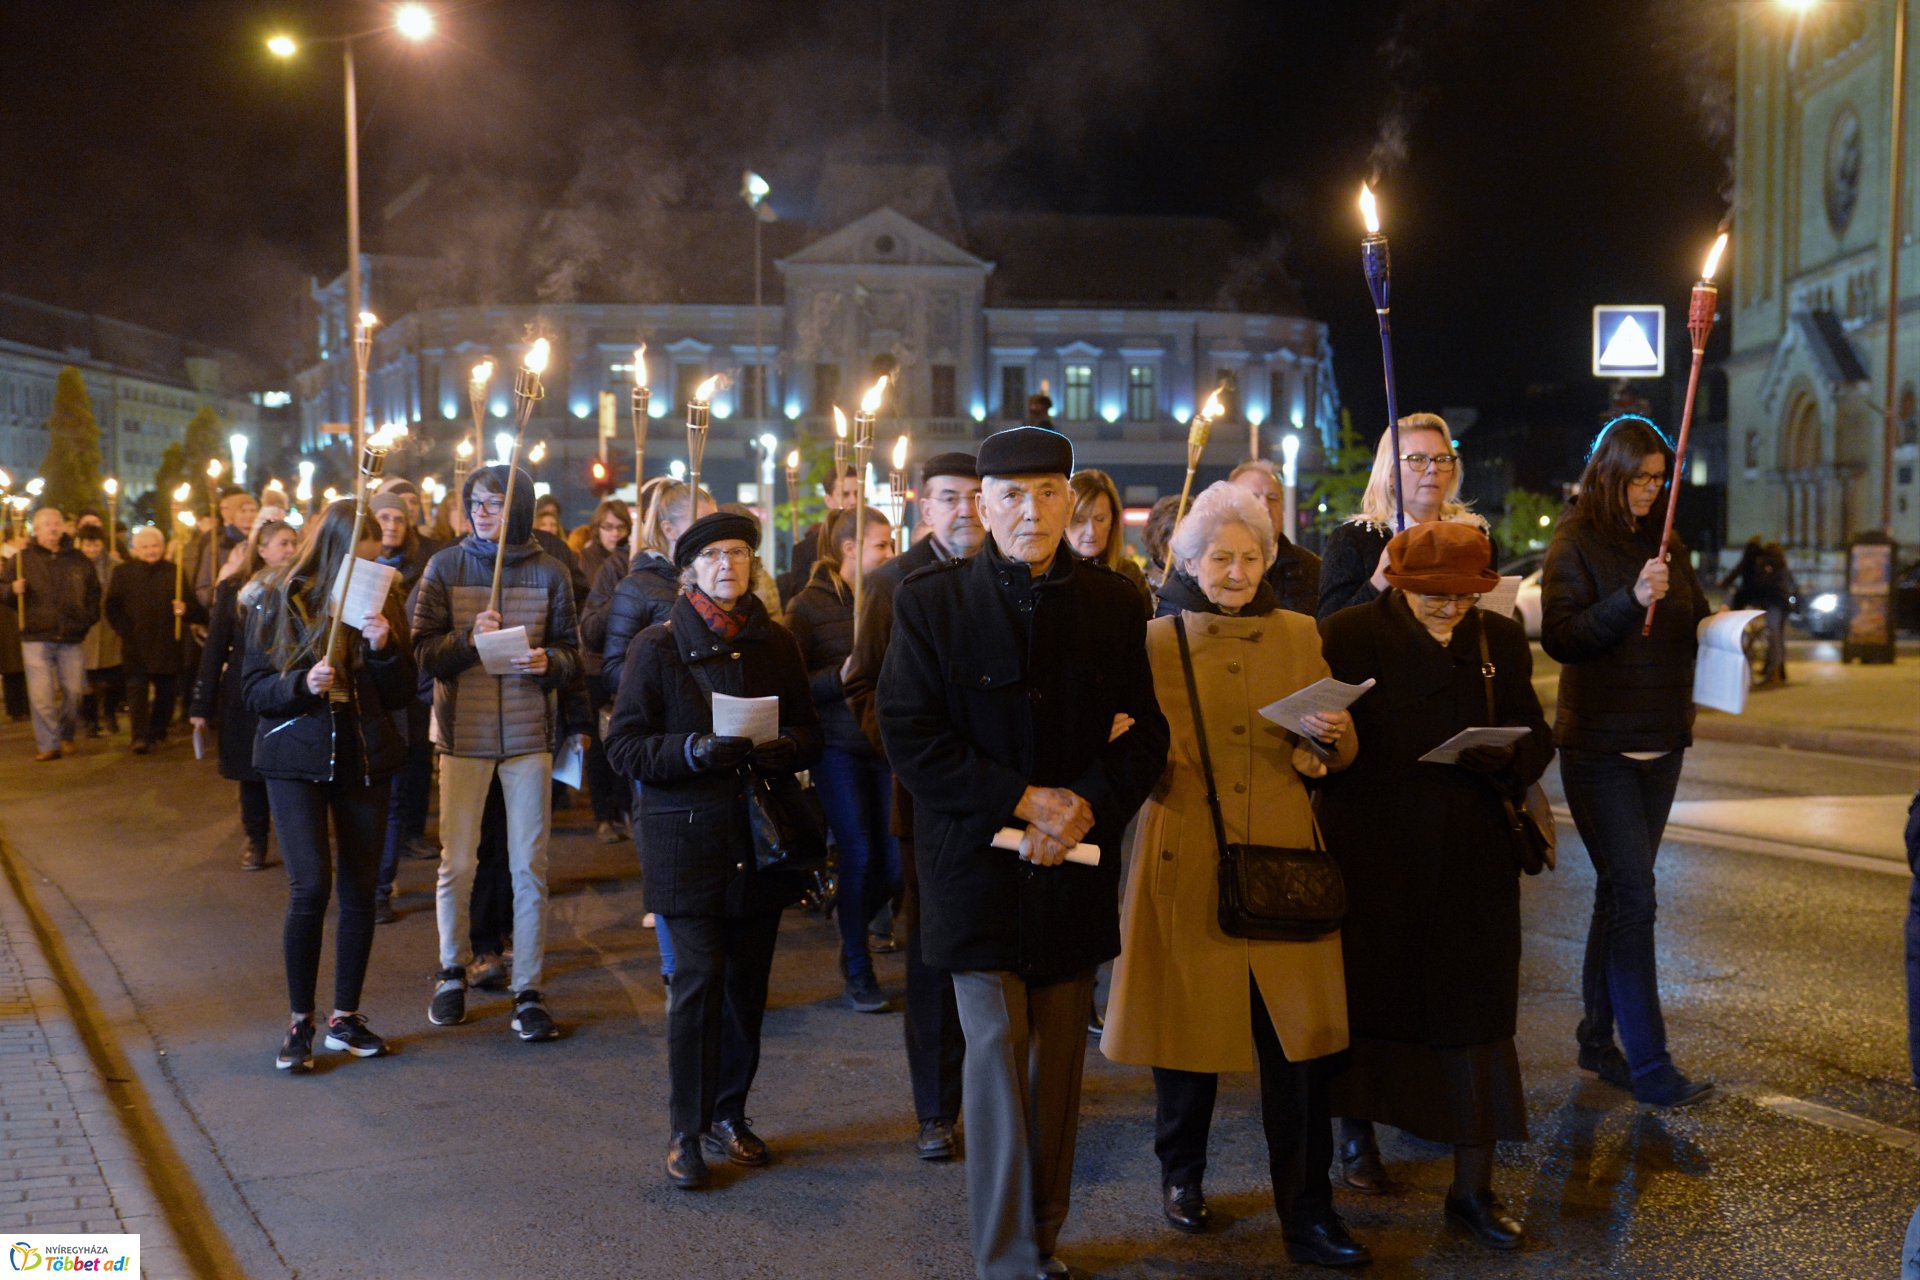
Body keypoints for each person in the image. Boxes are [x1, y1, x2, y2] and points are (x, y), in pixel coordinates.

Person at [878, 426, 1170, 1280]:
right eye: (1011, 495)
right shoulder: (929, 603)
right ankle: (1007, 1259)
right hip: (973, 866)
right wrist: (1021, 798)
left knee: (1058, 1068)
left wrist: (1083, 805)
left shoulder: (1117, 604)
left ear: (1071, 501)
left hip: (1074, 864)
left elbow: (1145, 735)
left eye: (1049, 493)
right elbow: (910, 734)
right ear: (982, 503)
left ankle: (1044, 1235)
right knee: (996, 1054)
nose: (1031, 511)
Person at [1101, 481, 1365, 1267]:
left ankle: (1308, 1211)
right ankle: (1181, 1175)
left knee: (1301, 1051)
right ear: (1187, 558)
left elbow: (1331, 756)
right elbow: (1126, 749)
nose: (1239, 570)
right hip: (1185, 849)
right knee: (1185, 1038)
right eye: (1222, 556)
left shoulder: (1299, 633)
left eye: (1253, 556)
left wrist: (1330, 739)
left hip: (1284, 854)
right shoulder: (1151, 641)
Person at [1317, 521, 1555, 1251]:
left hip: (1472, 859)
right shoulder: (1348, 634)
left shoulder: (1498, 641)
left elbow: (1536, 734)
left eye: (1462, 598)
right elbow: (1319, 731)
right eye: (1433, 598)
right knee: (1365, 1009)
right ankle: (1356, 1144)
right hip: (1374, 856)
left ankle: (1472, 1189)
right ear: (1402, 584)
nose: (1449, 611)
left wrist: (1506, 760)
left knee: (1474, 1021)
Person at [604, 511, 823, 1189]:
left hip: (758, 844)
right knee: (697, 986)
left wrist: (788, 748)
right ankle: (685, 1129)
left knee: (745, 992)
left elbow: (811, 733)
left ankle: (731, 1112)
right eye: (715, 556)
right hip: (688, 843)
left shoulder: (776, 644)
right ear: (691, 569)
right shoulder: (657, 646)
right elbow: (626, 747)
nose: (729, 565)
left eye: (740, 554)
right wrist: (694, 749)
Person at [1541, 413, 1714, 1108]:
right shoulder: (1573, 539)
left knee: (1619, 895)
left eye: (1659, 478)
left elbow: (1692, 616)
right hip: (1601, 747)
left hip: (1662, 739)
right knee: (1636, 895)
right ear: (1609, 474)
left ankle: (1596, 1043)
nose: (1651, 490)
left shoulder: (1663, 538)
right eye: (1640, 478)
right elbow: (1563, 636)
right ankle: (1649, 1064)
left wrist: (1720, 628)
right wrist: (1630, 599)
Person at [412, 464, 585, 1043]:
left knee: (528, 865)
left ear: (519, 510)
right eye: (475, 503)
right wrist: (467, 640)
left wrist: (549, 664)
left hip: (529, 734)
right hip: (464, 735)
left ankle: (528, 988)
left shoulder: (552, 572)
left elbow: (571, 651)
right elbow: (423, 652)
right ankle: (451, 970)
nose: (482, 513)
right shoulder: (444, 567)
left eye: (495, 504)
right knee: (457, 863)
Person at [843, 450, 984, 1160]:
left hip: (1005, 798)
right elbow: (862, 686)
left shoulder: (1011, 576)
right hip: (925, 803)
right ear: (924, 508)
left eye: (975, 497)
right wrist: (914, 757)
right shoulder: (889, 583)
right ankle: (936, 1109)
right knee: (930, 956)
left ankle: (996, 1097)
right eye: (949, 498)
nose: (965, 511)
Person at [242, 500, 416, 1072]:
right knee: (310, 887)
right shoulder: (280, 596)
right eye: (361, 559)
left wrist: (386, 648)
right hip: (295, 758)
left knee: (360, 891)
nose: (372, 570)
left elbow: (401, 692)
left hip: (364, 756)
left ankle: (345, 1016)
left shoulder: (384, 598)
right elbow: (255, 689)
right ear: (336, 551)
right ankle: (300, 1020)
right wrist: (301, 683)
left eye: (377, 561)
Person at [783, 504, 898, 1012]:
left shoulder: (890, 597)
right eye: (881, 545)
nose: (890, 554)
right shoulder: (807, 606)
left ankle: (849, 913)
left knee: (896, 865)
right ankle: (856, 962)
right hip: (838, 750)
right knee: (861, 853)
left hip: (887, 745)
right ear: (850, 548)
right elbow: (791, 685)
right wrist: (841, 676)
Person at [191, 519, 298, 871]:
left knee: (286, 766)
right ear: (262, 549)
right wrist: (201, 703)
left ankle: (295, 840)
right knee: (250, 771)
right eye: (283, 543)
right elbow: (216, 647)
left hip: (287, 687)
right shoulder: (235, 588)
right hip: (245, 689)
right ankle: (255, 838)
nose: (290, 550)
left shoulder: (299, 587)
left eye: (293, 542)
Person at [1317, 414, 1491, 621]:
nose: (1433, 469)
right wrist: (1379, 581)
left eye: (1442, 459)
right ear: (1390, 474)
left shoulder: (1473, 535)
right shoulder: (1354, 539)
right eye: (1417, 459)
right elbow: (1328, 629)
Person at [367, 490, 438, 920]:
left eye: (398, 518)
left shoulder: (422, 569)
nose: (391, 525)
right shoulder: (350, 572)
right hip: (361, 695)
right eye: (382, 518)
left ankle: (379, 887)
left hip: (402, 691)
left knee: (395, 795)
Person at [2, 507, 102, 761]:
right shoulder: (22, 560)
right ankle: (48, 743)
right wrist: (13, 590)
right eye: (47, 524)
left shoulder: (78, 559)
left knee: (74, 692)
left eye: (56, 523)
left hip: (71, 635)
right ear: (36, 529)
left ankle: (66, 733)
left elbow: (93, 592)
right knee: (42, 695)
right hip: (36, 635)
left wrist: (87, 618)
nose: (53, 528)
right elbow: (3, 593)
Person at [106, 526, 200, 754]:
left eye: (155, 545)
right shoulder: (123, 572)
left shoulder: (174, 572)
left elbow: (195, 609)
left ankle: (158, 730)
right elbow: (112, 606)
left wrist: (184, 609)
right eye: (145, 547)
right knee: (136, 689)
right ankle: (139, 735)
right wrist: (124, 630)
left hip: (167, 641)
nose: (151, 551)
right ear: (136, 549)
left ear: (163, 547)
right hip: (135, 642)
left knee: (166, 691)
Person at [575, 498, 634, 843]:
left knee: (623, 737)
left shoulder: (632, 558)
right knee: (599, 744)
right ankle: (604, 814)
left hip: (624, 660)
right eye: (607, 527)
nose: (614, 534)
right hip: (595, 662)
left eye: (620, 527)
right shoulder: (590, 561)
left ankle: (625, 807)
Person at [1227, 459, 1321, 616]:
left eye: (1273, 498)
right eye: (1253, 497)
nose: (1265, 506)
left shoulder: (1313, 570)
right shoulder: (1208, 565)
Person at [1066, 468, 1150, 610]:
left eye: (1100, 519)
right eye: (1079, 520)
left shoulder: (1129, 574)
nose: (1091, 531)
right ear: (1064, 521)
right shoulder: (1050, 574)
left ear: (1113, 520)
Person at [1721, 536, 1796, 686]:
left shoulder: (1766, 564)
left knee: (1774, 635)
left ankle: (1774, 671)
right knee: (1777, 637)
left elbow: (1758, 583)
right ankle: (1777, 671)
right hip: (1779, 604)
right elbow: (1791, 585)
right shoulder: (1781, 564)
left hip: (1773, 603)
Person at [782, 468, 861, 603]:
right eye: (845, 494)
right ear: (829, 500)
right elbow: (803, 602)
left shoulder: (876, 543)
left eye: (858, 493)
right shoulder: (806, 550)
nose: (853, 501)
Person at [74, 526, 123, 738]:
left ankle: (110, 713)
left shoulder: (115, 566)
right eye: (87, 544)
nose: (92, 549)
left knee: (112, 676)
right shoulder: (74, 567)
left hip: (109, 627)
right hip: (85, 628)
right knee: (87, 680)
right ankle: (91, 720)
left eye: (95, 544)